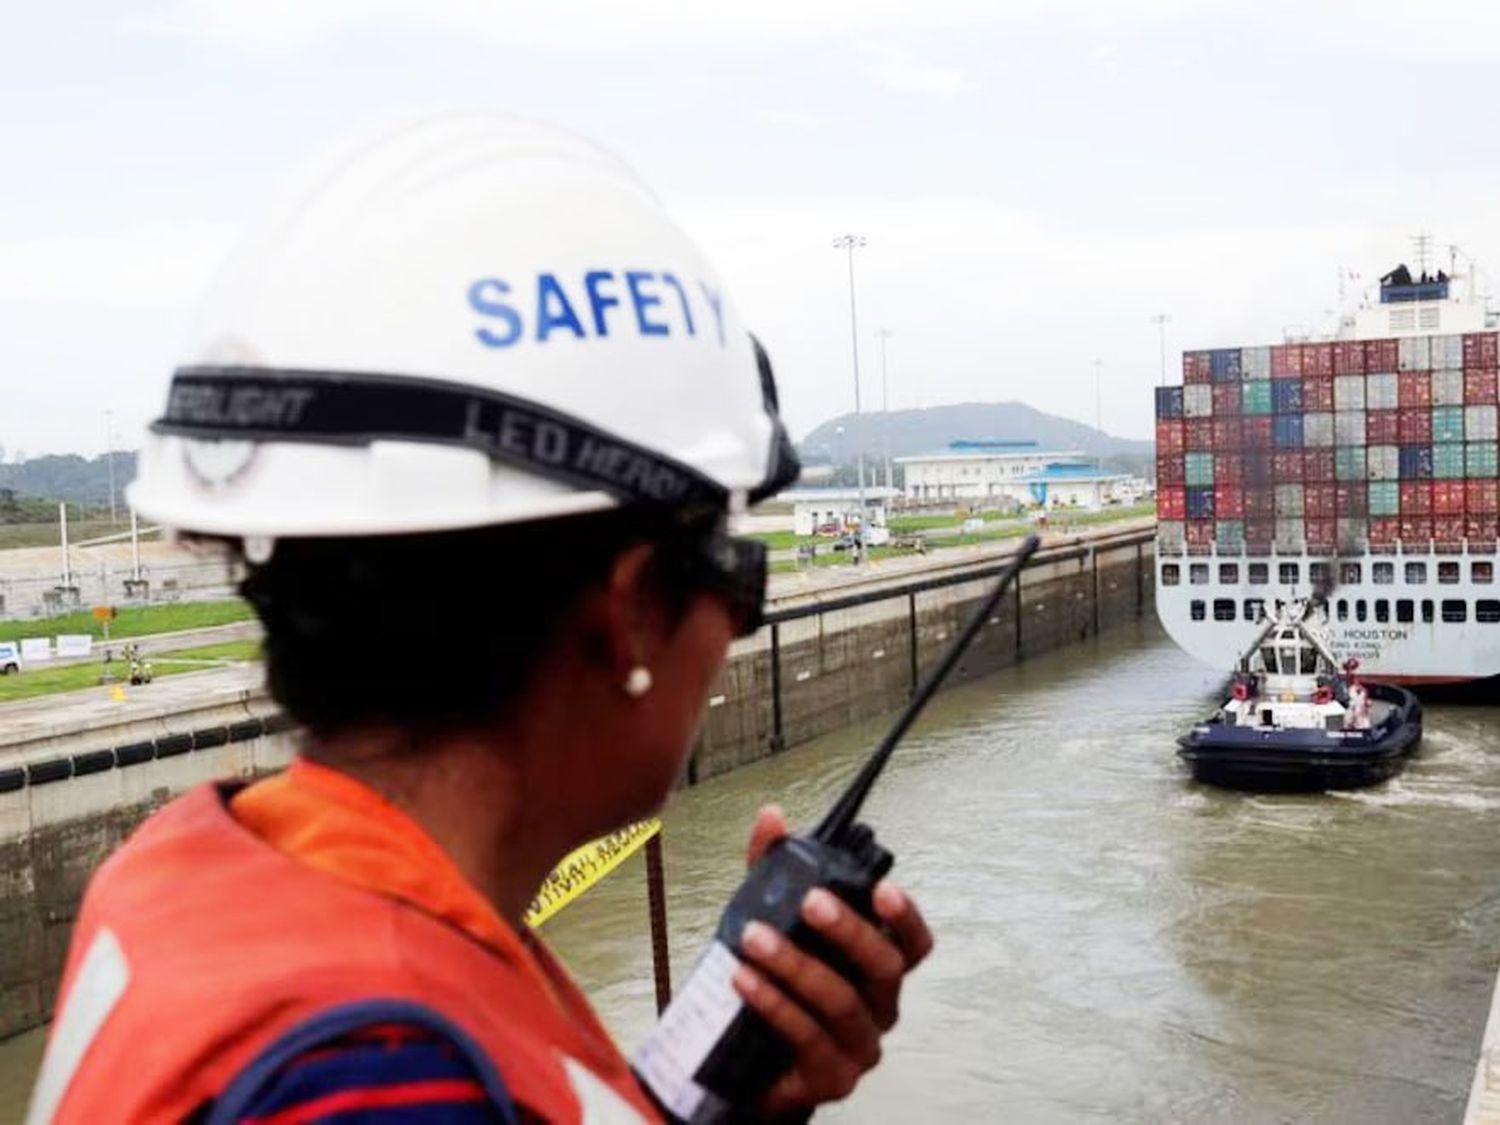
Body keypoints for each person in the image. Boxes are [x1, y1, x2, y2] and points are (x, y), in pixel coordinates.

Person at [26, 114, 932, 1124]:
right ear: (631, 612)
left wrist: (733, 1105)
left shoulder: (193, 873)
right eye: (735, 569)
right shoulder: (384, 1073)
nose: (734, 631)